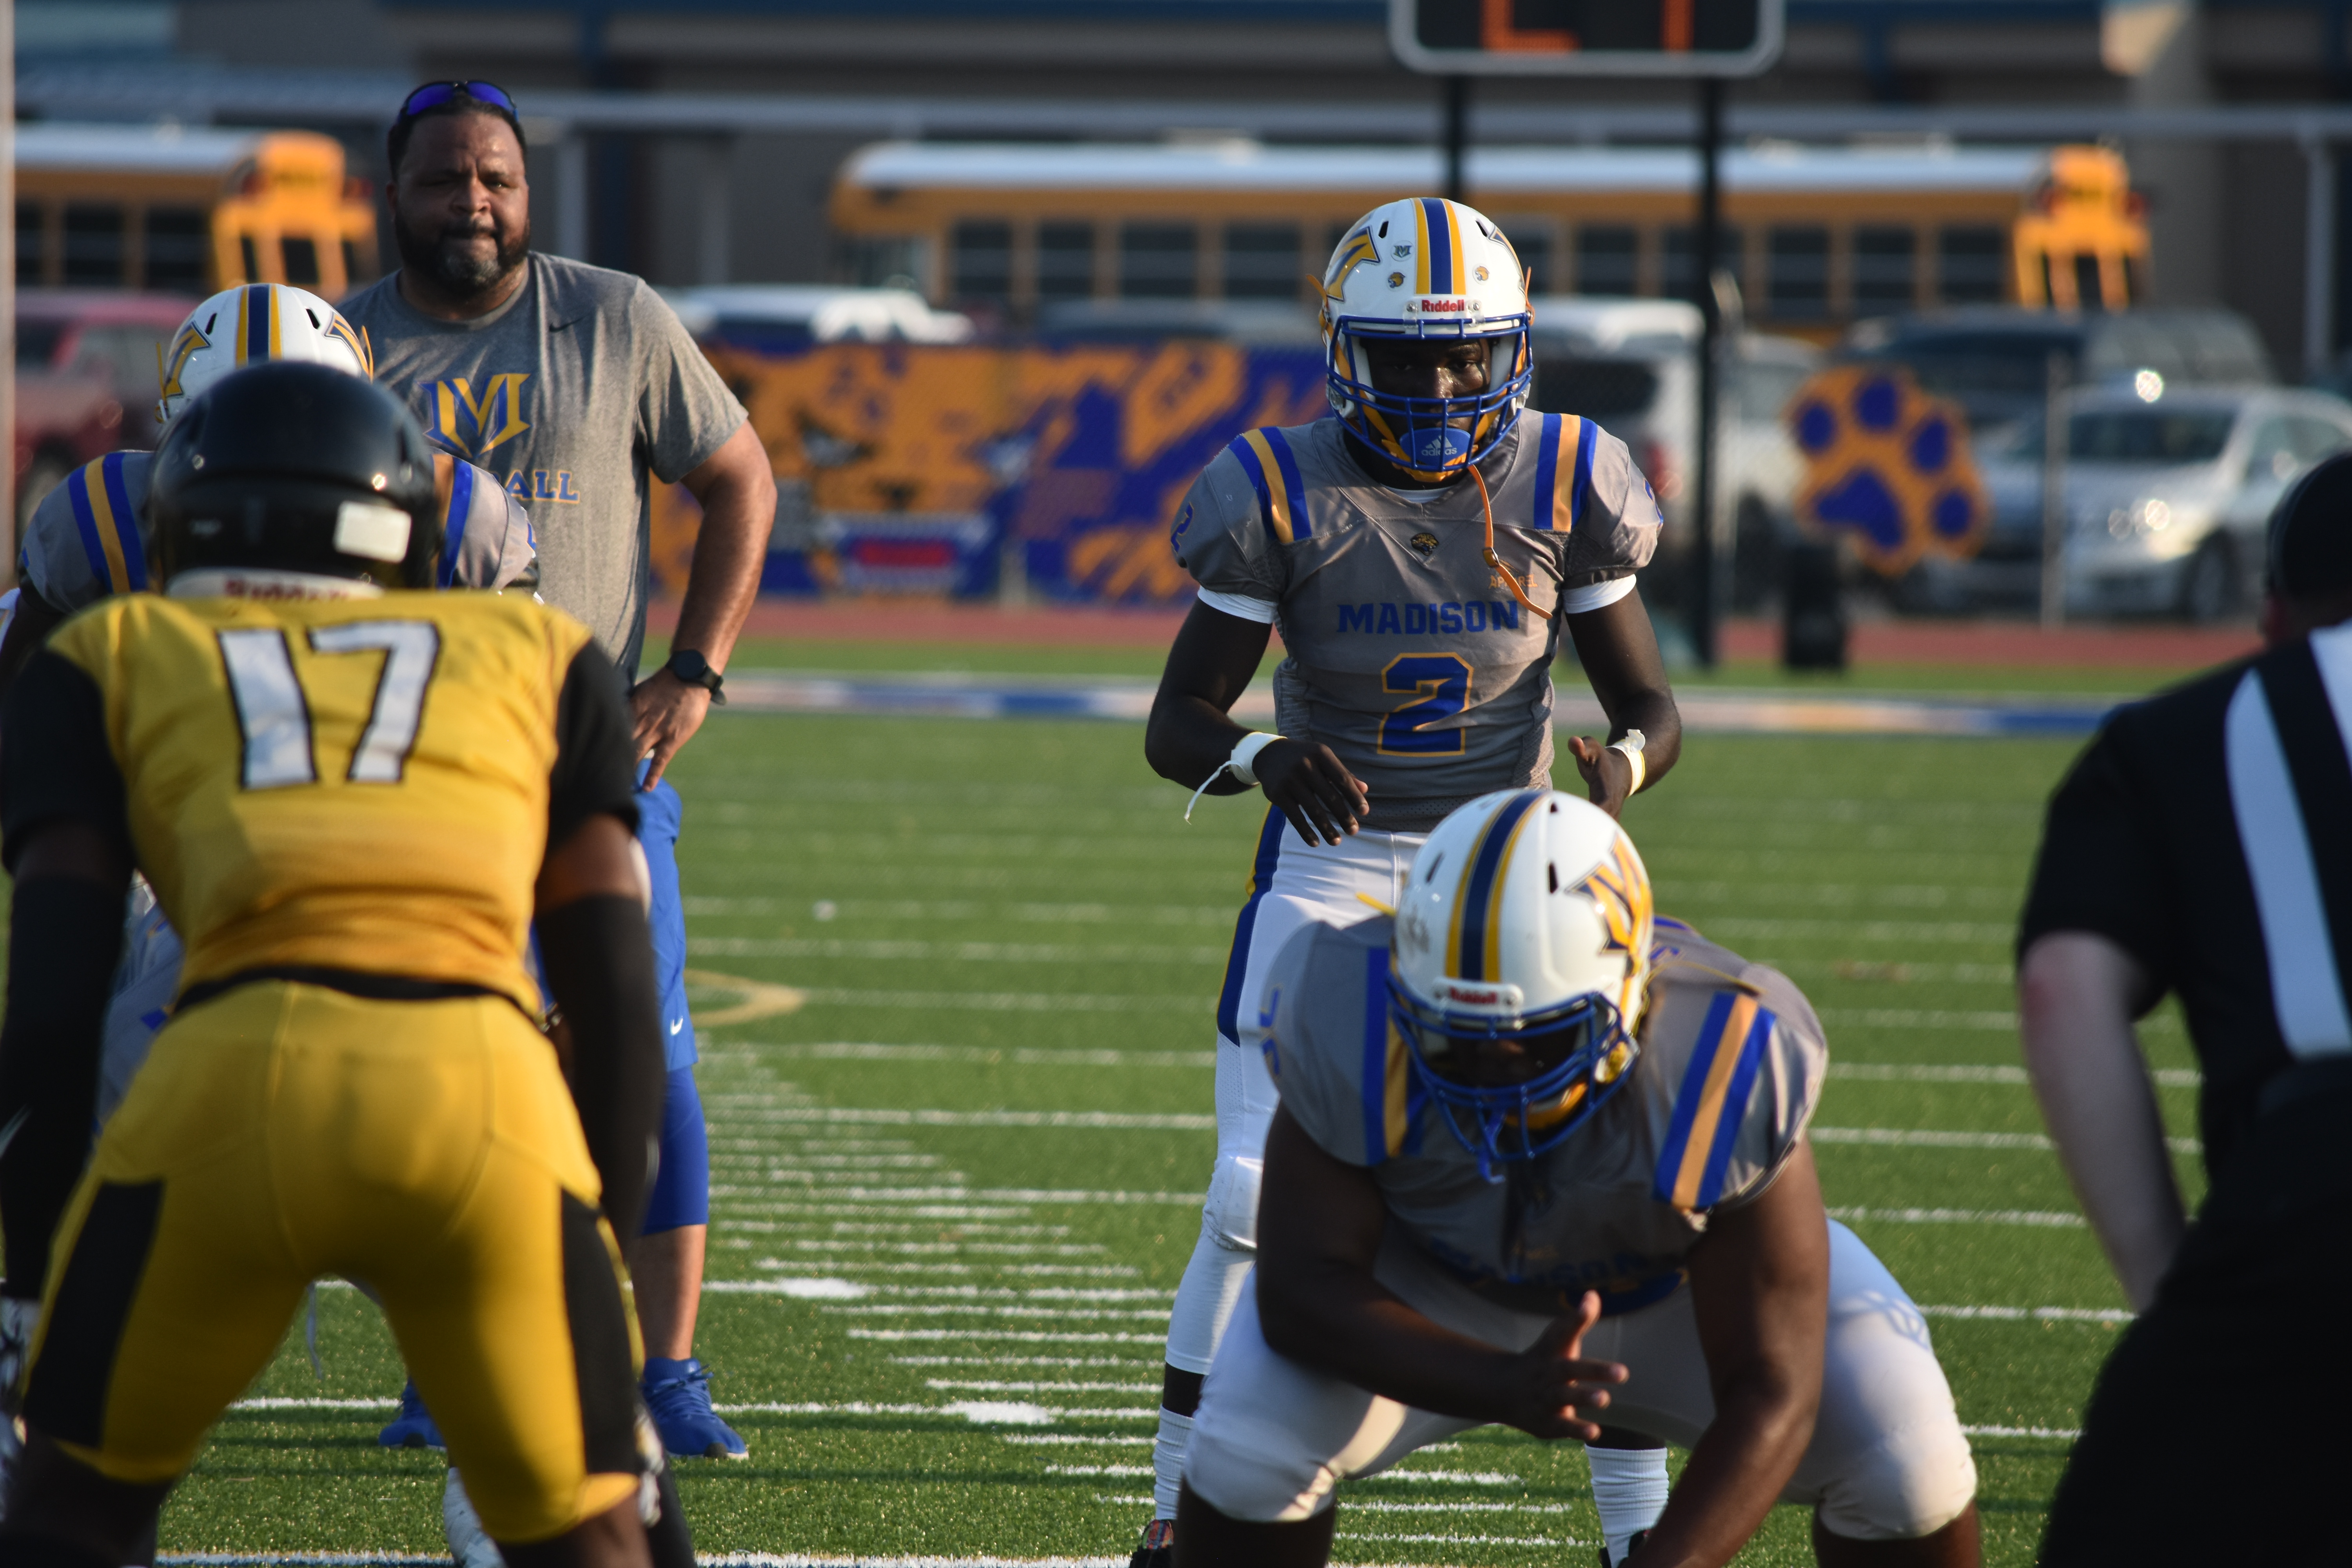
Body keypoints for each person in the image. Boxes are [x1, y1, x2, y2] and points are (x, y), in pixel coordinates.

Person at [0, 363, 668, 1568]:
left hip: (225, 1089)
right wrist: (596, 1263)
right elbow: (617, 1002)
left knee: (67, 1518)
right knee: (601, 1536)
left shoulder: (115, 652)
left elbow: (50, 1009)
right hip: (481, 1107)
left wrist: (33, 1292)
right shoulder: (537, 655)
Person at [1138, 196, 1683, 1566]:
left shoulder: (1568, 476)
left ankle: (1640, 1536)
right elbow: (1176, 724)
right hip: (1337, 858)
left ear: (1511, 352)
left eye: (1462, 358)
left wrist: (1617, 772)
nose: (1437, 389)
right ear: (1344, 352)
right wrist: (1265, 756)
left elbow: (1652, 708)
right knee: (1248, 1199)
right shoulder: (1278, 485)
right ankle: (1175, 1512)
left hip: (1508, 867)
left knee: (1603, 1199)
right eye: (1403, 358)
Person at [1175, 788, 1982, 1568]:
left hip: (1677, 1297)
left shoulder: (1722, 1052)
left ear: (1627, 998)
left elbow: (1774, 1385)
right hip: (1434, 1286)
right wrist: (1497, 1381)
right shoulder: (1349, 1007)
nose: (1494, 1076)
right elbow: (1301, 1290)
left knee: (1905, 1460)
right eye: (1455, 1038)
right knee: (1248, 1444)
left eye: (1538, 1041)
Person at [338, 78, 777, 1468]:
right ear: (392, 193)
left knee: (650, 1055)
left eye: (497, 179)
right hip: (407, 765)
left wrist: (695, 669)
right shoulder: (337, 344)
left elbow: (742, 478)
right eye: (443, 178)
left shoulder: (615, 316)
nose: (472, 201)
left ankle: (667, 1372)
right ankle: (447, 1359)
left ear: (529, 194)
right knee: (434, 1072)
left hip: (589, 760)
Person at [2018, 452, 2352, 1563]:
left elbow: (2065, 985)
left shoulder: (2190, 736)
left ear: (2273, 614)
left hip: (2312, 1199)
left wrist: (2180, 1291)